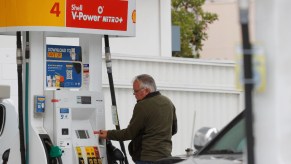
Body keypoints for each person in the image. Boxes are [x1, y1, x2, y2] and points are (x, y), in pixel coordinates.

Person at [99, 74, 177, 164]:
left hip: (146, 158)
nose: (134, 94)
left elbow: (129, 133)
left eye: (136, 91)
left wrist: (108, 134)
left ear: (147, 90)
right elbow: (174, 130)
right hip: (166, 157)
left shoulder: (142, 105)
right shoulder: (168, 102)